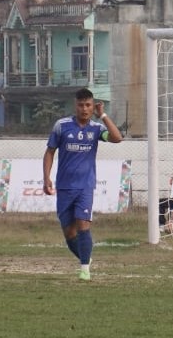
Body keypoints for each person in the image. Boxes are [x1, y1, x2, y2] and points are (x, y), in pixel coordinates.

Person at [43, 88, 123, 281]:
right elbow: (50, 152)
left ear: (92, 105)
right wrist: (46, 177)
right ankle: (85, 257)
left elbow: (117, 138)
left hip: (85, 186)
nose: (85, 109)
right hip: (64, 187)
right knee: (69, 234)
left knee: (83, 225)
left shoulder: (96, 129)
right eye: (81, 105)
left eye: (88, 105)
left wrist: (102, 115)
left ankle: (84, 270)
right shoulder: (61, 126)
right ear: (75, 105)